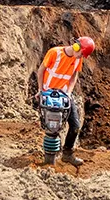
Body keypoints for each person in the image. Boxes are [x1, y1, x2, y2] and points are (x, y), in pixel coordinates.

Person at [35, 36, 95, 166]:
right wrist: (40, 90)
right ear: (76, 47)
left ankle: (67, 154)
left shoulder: (77, 59)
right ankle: (48, 160)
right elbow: (41, 71)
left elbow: (74, 75)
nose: (81, 57)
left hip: (64, 95)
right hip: (48, 94)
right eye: (81, 54)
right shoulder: (54, 53)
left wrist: (69, 92)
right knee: (52, 127)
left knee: (75, 126)